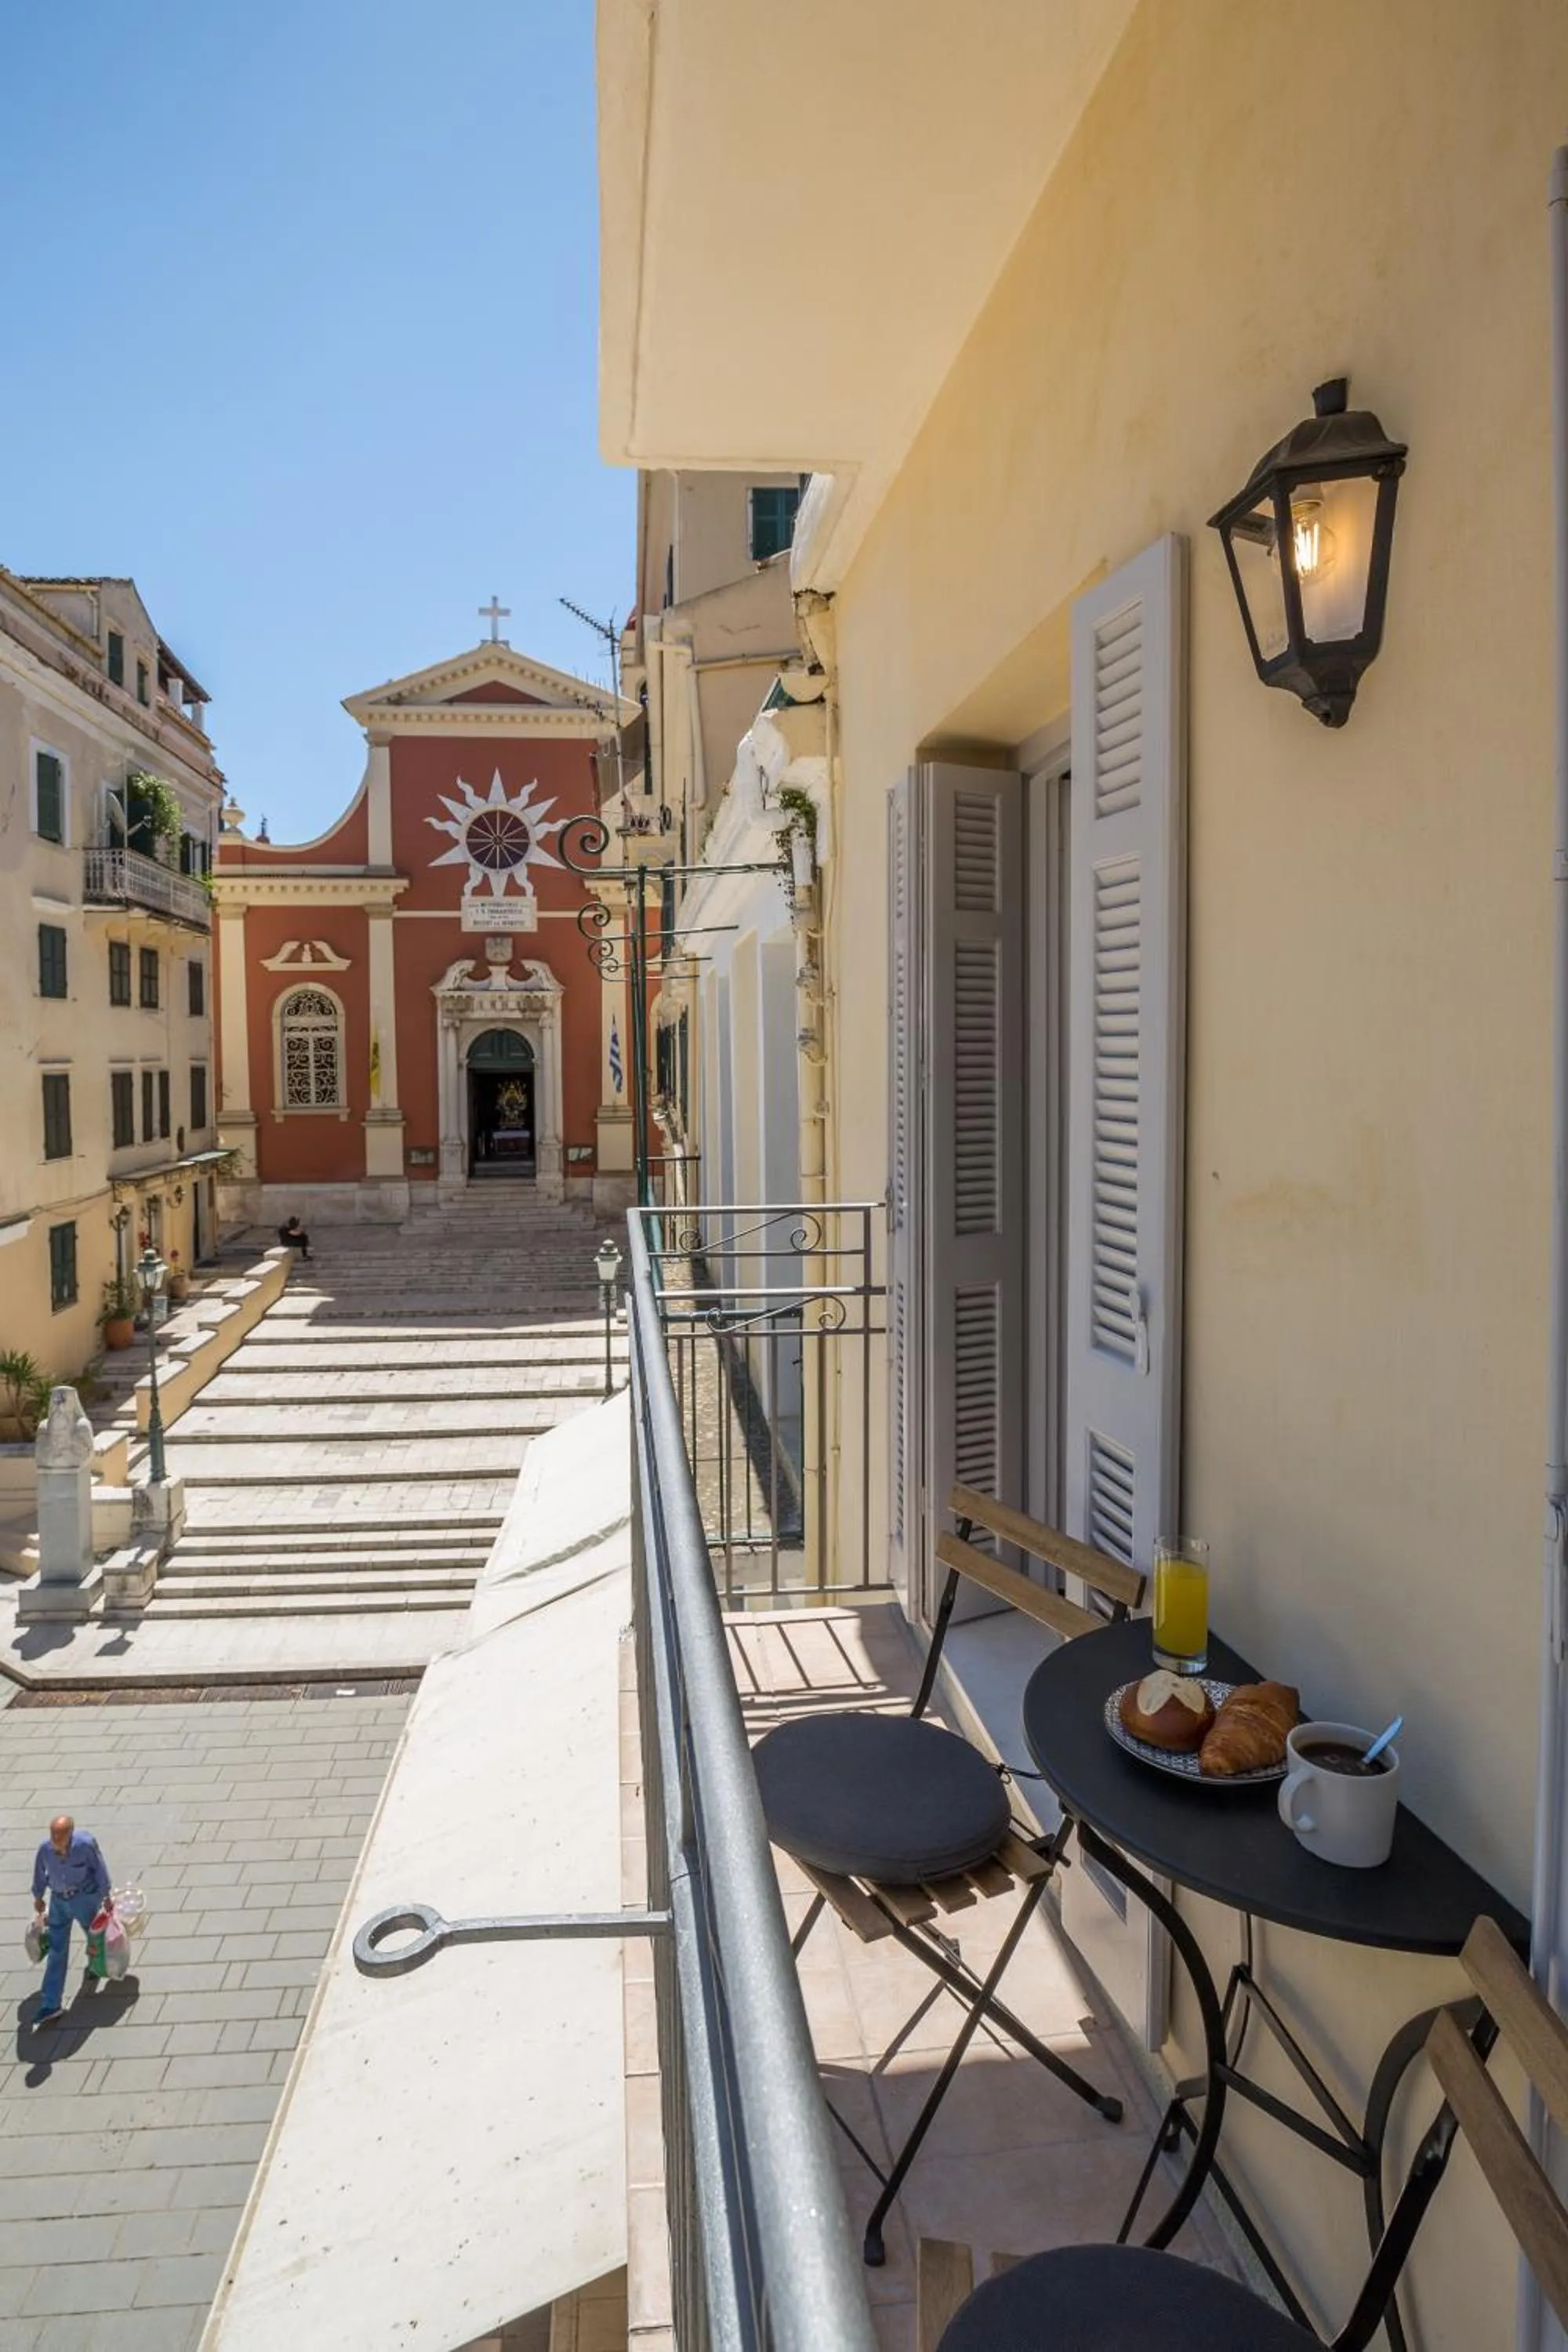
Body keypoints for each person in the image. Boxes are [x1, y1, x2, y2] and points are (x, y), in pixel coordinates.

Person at [32, 1815, 112, 2027]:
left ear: (70, 1834)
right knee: (57, 1950)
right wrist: (38, 1897)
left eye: (60, 1835)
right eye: (53, 1835)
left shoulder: (84, 1845)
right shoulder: (45, 1849)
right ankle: (51, 2004)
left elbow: (99, 1868)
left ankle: (97, 1965)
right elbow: (40, 1873)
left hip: (84, 1898)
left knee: (94, 1936)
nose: (55, 1839)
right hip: (59, 1900)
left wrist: (106, 1896)